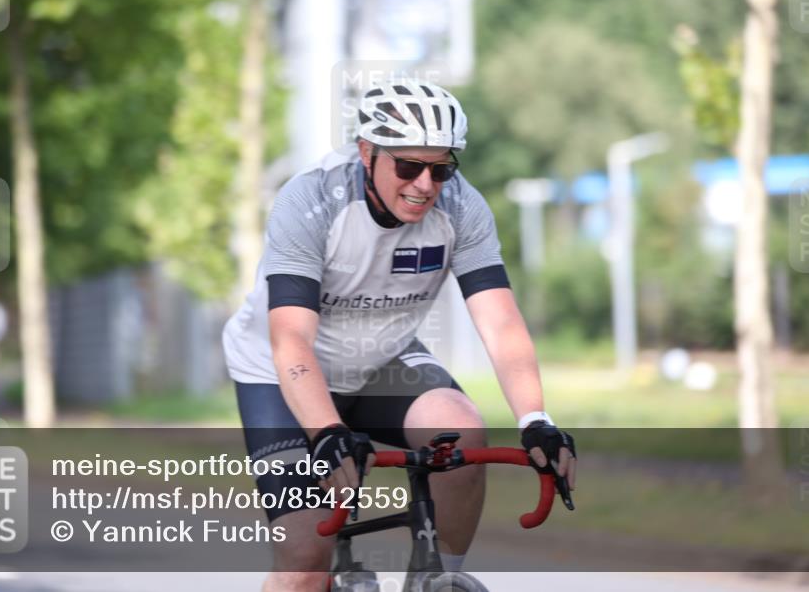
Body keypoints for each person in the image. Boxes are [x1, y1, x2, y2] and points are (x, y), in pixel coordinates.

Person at [223, 80, 576, 592]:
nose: (426, 184)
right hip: (282, 373)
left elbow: (500, 323)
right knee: (305, 555)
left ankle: (434, 582)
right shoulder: (312, 201)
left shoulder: (461, 207)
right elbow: (292, 340)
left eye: (441, 167)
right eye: (408, 166)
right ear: (367, 152)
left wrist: (536, 419)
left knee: (463, 430)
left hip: (379, 360)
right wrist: (325, 431)